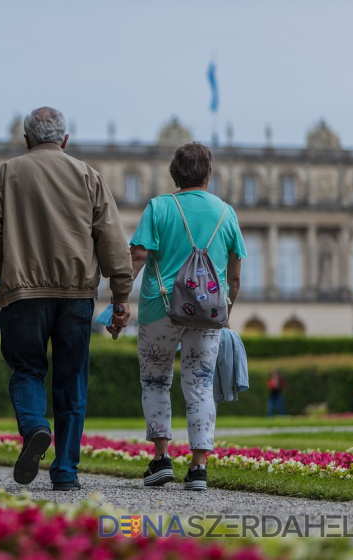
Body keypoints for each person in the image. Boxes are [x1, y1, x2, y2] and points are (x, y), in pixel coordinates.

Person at [0, 106, 134, 491]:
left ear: (27, 140)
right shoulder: (88, 175)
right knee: (71, 379)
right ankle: (65, 471)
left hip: (22, 294)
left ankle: (34, 428)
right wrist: (121, 296)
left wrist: (6, 269)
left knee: (27, 370)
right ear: (65, 140)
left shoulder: (8, 173)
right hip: (76, 295)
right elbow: (112, 241)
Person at [125, 142, 246, 491]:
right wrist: (226, 311)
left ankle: (162, 459)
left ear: (174, 174)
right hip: (209, 313)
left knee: (155, 381)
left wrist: (120, 299)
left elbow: (137, 256)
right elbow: (235, 275)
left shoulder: (159, 207)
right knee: (200, 384)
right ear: (208, 175)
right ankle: (198, 467)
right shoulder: (227, 213)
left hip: (159, 309)